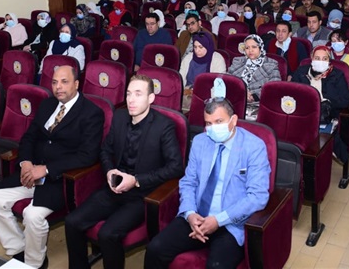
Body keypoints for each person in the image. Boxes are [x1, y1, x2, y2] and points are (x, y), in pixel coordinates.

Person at [0, 65, 104, 269]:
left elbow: (87, 156)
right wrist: (25, 162)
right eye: (55, 82)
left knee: (32, 216)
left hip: (61, 179)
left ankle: (35, 262)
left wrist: (47, 169)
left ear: (76, 84)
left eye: (64, 82)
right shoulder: (48, 104)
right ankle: (18, 248)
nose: (58, 87)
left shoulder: (92, 113)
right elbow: (29, 137)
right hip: (32, 172)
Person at [64, 75, 183, 269]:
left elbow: (175, 167)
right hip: (114, 187)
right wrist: (109, 170)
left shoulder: (164, 126)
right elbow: (105, 150)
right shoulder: (119, 117)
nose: (131, 100)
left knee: (107, 234)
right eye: (128, 94)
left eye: (138, 94)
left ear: (151, 98)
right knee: (72, 222)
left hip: (141, 195)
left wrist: (136, 180)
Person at [144, 97, 271, 268]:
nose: (213, 128)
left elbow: (257, 196)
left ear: (233, 120)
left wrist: (218, 220)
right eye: (208, 123)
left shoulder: (254, 147)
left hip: (230, 222)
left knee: (216, 266)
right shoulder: (200, 142)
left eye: (219, 122)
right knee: (155, 249)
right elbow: (189, 182)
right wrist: (190, 214)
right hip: (197, 216)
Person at [292, 46, 349, 163]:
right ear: (311, 58)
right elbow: (292, 92)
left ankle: (341, 159)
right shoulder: (301, 72)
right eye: (317, 58)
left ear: (329, 60)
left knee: (323, 136)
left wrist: (326, 102)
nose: (320, 61)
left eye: (324, 59)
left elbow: (345, 100)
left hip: (326, 114)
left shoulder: (337, 75)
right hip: (302, 112)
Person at [227, 34, 281, 119]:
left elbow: (274, 88)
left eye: (254, 47)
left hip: (258, 104)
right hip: (236, 100)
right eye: (247, 48)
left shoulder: (271, 64)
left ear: (260, 48)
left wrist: (254, 96)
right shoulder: (238, 61)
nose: (250, 50)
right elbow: (228, 81)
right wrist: (242, 93)